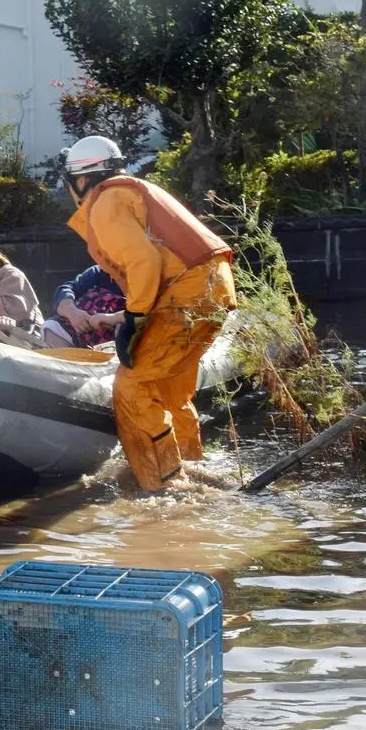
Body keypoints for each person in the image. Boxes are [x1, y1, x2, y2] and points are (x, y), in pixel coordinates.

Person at [61, 135, 237, 491]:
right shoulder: (133, 190)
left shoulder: (105, 202)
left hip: (185, 293)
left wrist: (135, 317)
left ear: (81, 179)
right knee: (170, 387)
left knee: (131, 386)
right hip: (214, 288)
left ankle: (166, 482)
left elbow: (144, 259)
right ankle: (191, 465)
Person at [41, 264, 126, 348]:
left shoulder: (138, 278)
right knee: (51, 329)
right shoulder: (99, 272)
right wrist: (72, 312)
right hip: (83, 335)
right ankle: (73, 360)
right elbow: (67, 289)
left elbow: (136, 315)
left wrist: (111, 318)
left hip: (121, 341)